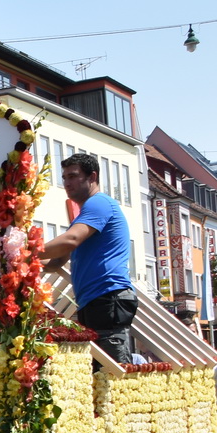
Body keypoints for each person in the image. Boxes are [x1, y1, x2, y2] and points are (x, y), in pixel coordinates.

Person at [44, 153, 137, 364]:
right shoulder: (87, 213)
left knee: (110, 371)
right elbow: (58, 261)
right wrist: (22, 263)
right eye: (64, 177)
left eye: (73, 176)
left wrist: (25, 251)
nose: (66, 183)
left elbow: (70, 240)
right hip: (96, 299)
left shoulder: (99, 204)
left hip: (107, 297)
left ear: (92, 176)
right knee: (99, 370)